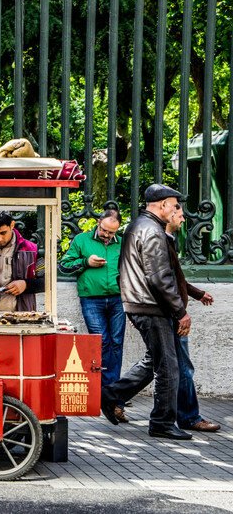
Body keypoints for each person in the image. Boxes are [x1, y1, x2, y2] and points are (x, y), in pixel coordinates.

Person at [100, 184, 191, 440]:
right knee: (168, 367)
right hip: (150, 306)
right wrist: (180, 311)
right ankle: (162, 422)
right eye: (174, 205)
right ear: (162, 205)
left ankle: (111, 394)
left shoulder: (138, 225)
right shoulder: (152, 230)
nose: (177, 209)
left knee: (156, 360)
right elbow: (159, 277)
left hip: (140, 303)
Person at [59, 209, 128, 423]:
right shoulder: (81, 240)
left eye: (111, 233)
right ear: (98, 223)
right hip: (92, 298)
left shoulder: (123, 242)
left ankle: (113, 397)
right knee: (101, 343)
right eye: (105, 231)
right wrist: (86, 262)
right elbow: (64, 265)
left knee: (116, 344)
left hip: (118, 298)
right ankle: (101, 394)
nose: (107, 236)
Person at [165, 205, 220, 432]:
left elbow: (176, 279)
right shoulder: (161, 240)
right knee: (182, 367)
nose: (183, 220)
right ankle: (189, 417)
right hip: (172, 312)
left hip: (170, 310)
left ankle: (113, 395)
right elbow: (165, 282)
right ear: (168, 215)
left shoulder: (168, 239)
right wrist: (181, 313)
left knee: (159, 364)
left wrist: (197, 294)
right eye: (180, 216)